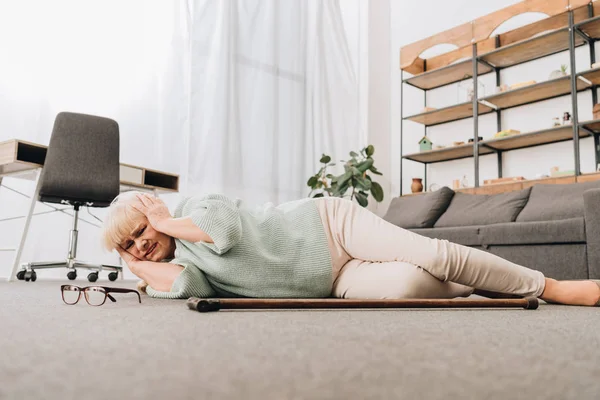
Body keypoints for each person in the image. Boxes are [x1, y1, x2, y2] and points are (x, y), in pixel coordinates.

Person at [101, 191, 600, 306]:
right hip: (334, 280)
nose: (141, 245)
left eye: (139, 232)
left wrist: (166, 221)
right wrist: (137, 267)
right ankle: (480, 283)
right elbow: (189, 285)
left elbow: (225, 230)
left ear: (155, 215)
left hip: (330, 226)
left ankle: (552, 287)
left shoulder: (196, 208)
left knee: (433, 254)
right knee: (411, 287)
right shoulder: (178, 261)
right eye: (128, 247)